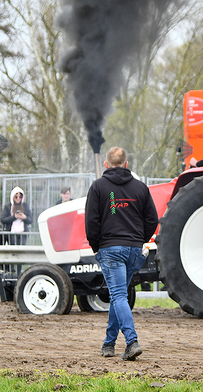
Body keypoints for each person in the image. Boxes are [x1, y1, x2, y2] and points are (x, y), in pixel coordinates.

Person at [85, 146, 158, 361]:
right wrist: (140, 239)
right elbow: (152, 220)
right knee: (120, 297)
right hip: (134, 250)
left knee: (118, 296)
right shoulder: (141, 188)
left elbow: (91, 221)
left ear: (106, 165)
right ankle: (108, 344)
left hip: (110, 249)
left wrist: (95, 246)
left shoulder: (98, 187)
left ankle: (131, 341)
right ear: (127, 164)